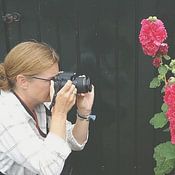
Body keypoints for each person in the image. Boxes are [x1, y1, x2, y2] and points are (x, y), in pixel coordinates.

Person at [0, 41, 95, 175]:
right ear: (23, 81)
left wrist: (83, 112)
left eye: (57, 78)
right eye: (50, 80)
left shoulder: (38, 101)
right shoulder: (6, 115)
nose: (55, 85)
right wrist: (59, 114)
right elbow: (49, 169)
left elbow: (75, 142)